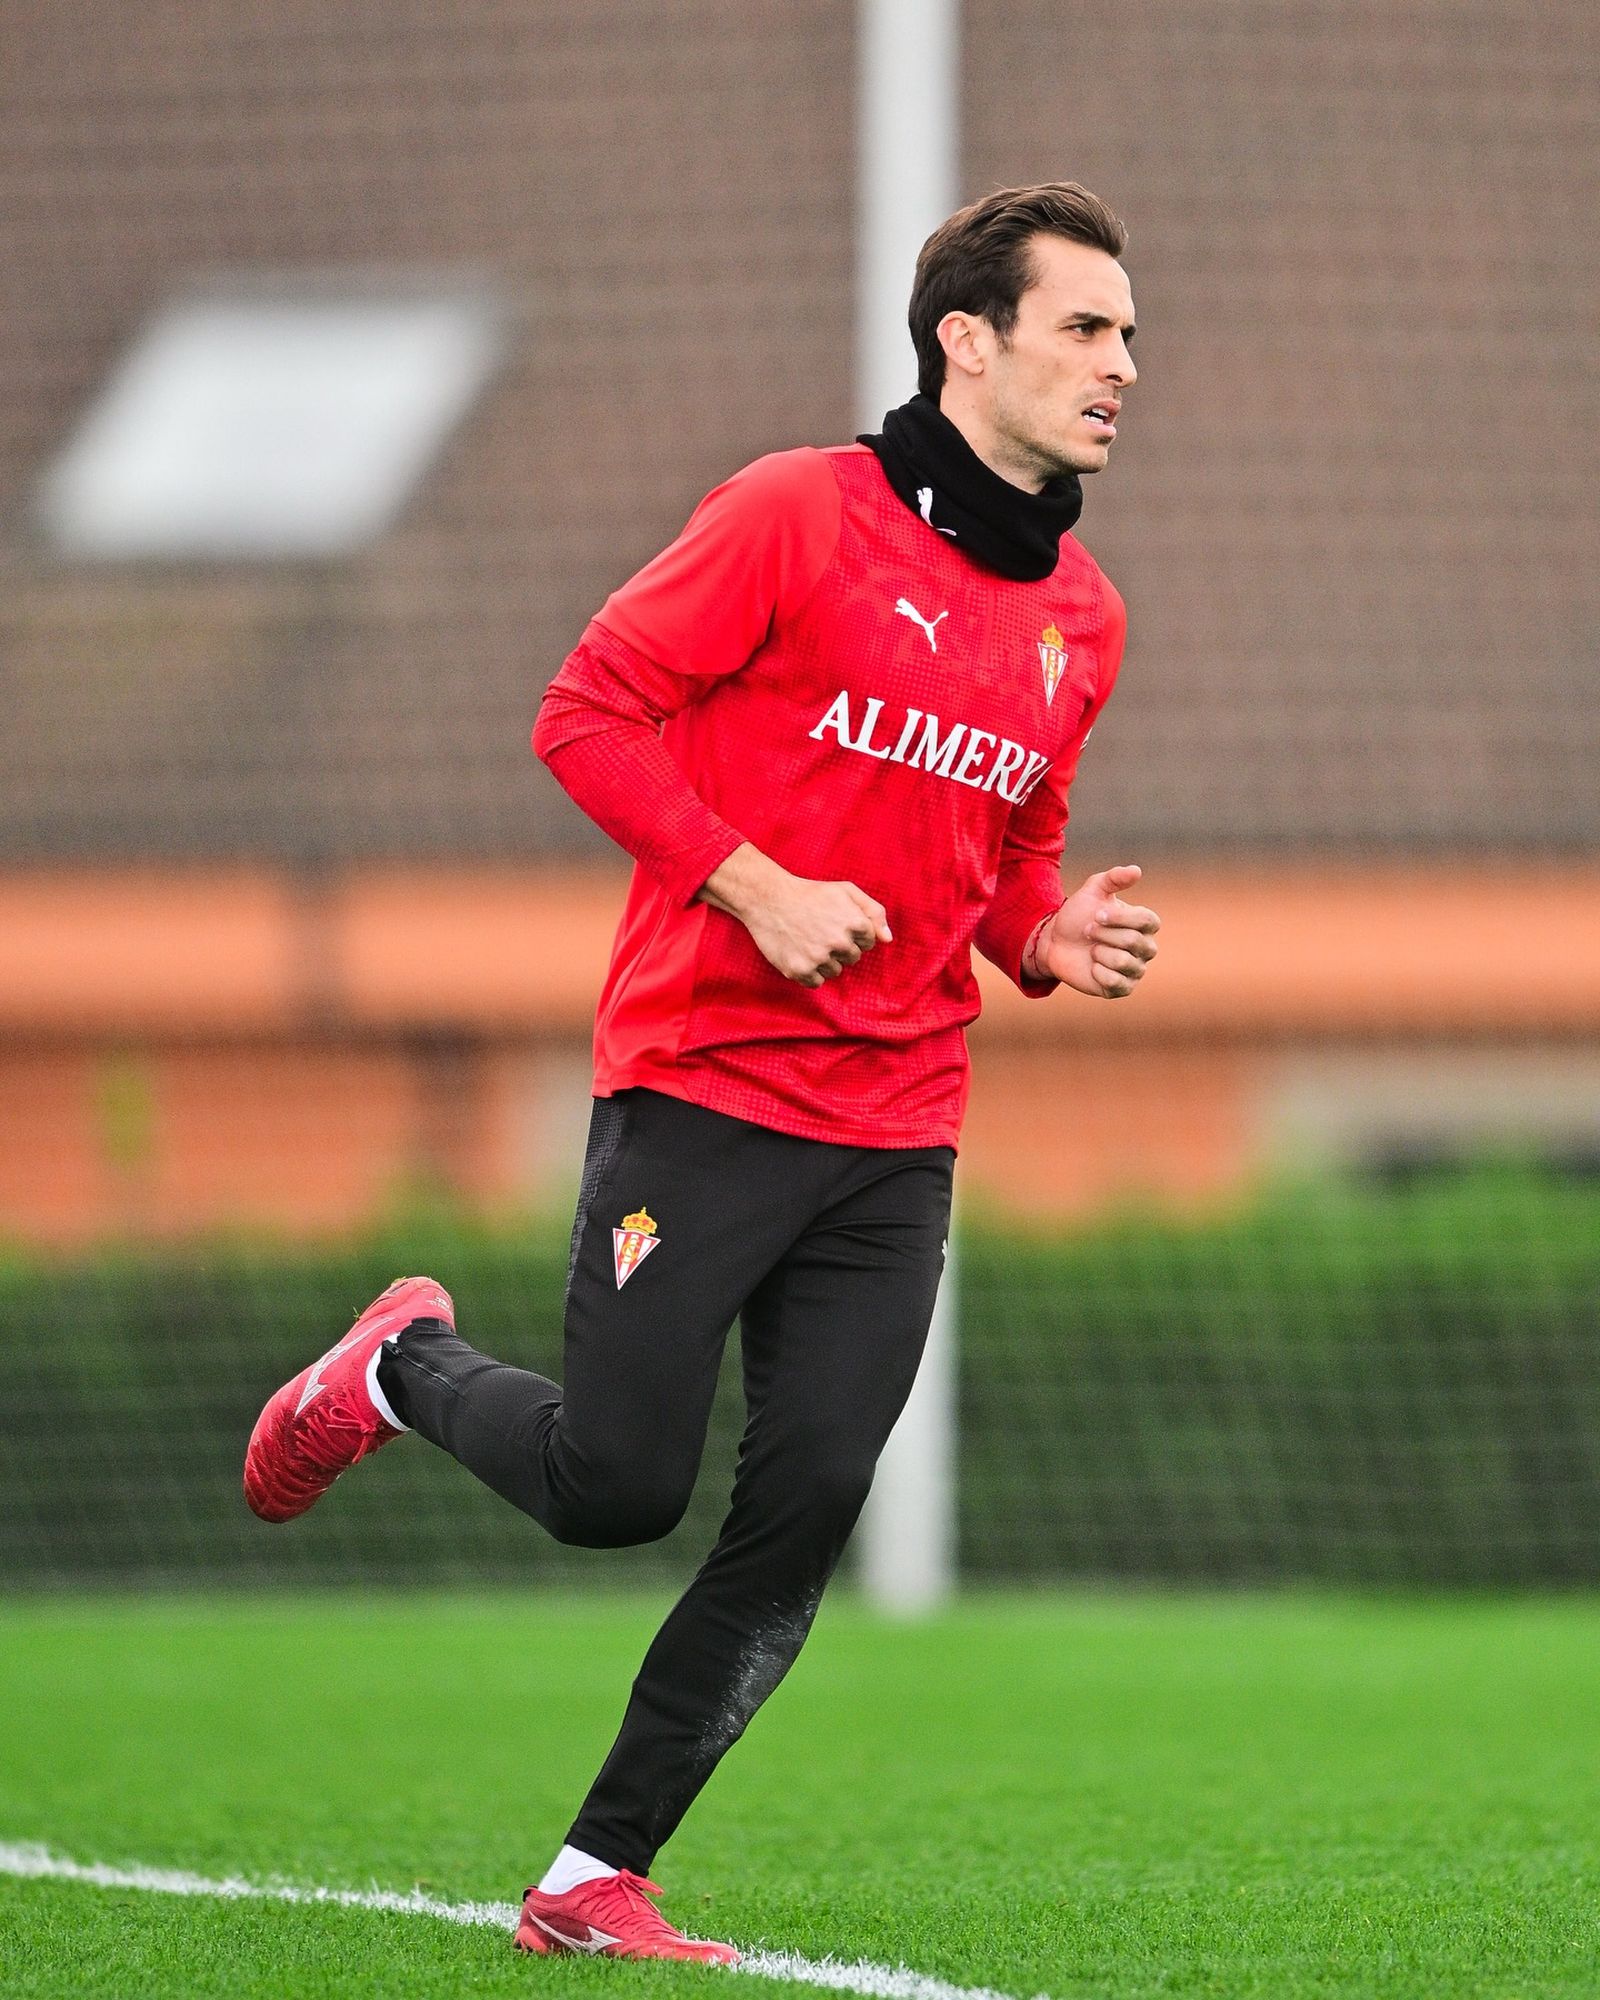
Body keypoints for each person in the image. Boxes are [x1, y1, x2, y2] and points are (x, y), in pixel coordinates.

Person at [243, 180, 1160, 1964]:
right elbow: (581, 712)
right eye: (1088, 328)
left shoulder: (1087, 620)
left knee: (810, 1494)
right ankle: (397, 1366)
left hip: (899, 1126)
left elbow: (1009, 860)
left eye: (1129, 334)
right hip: (707, 1085)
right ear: (969, 342)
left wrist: (1044, 939)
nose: (1127, 364)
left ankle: (596, 1875)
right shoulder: (791, 513)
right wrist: (749, 879)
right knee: (618, 1490)